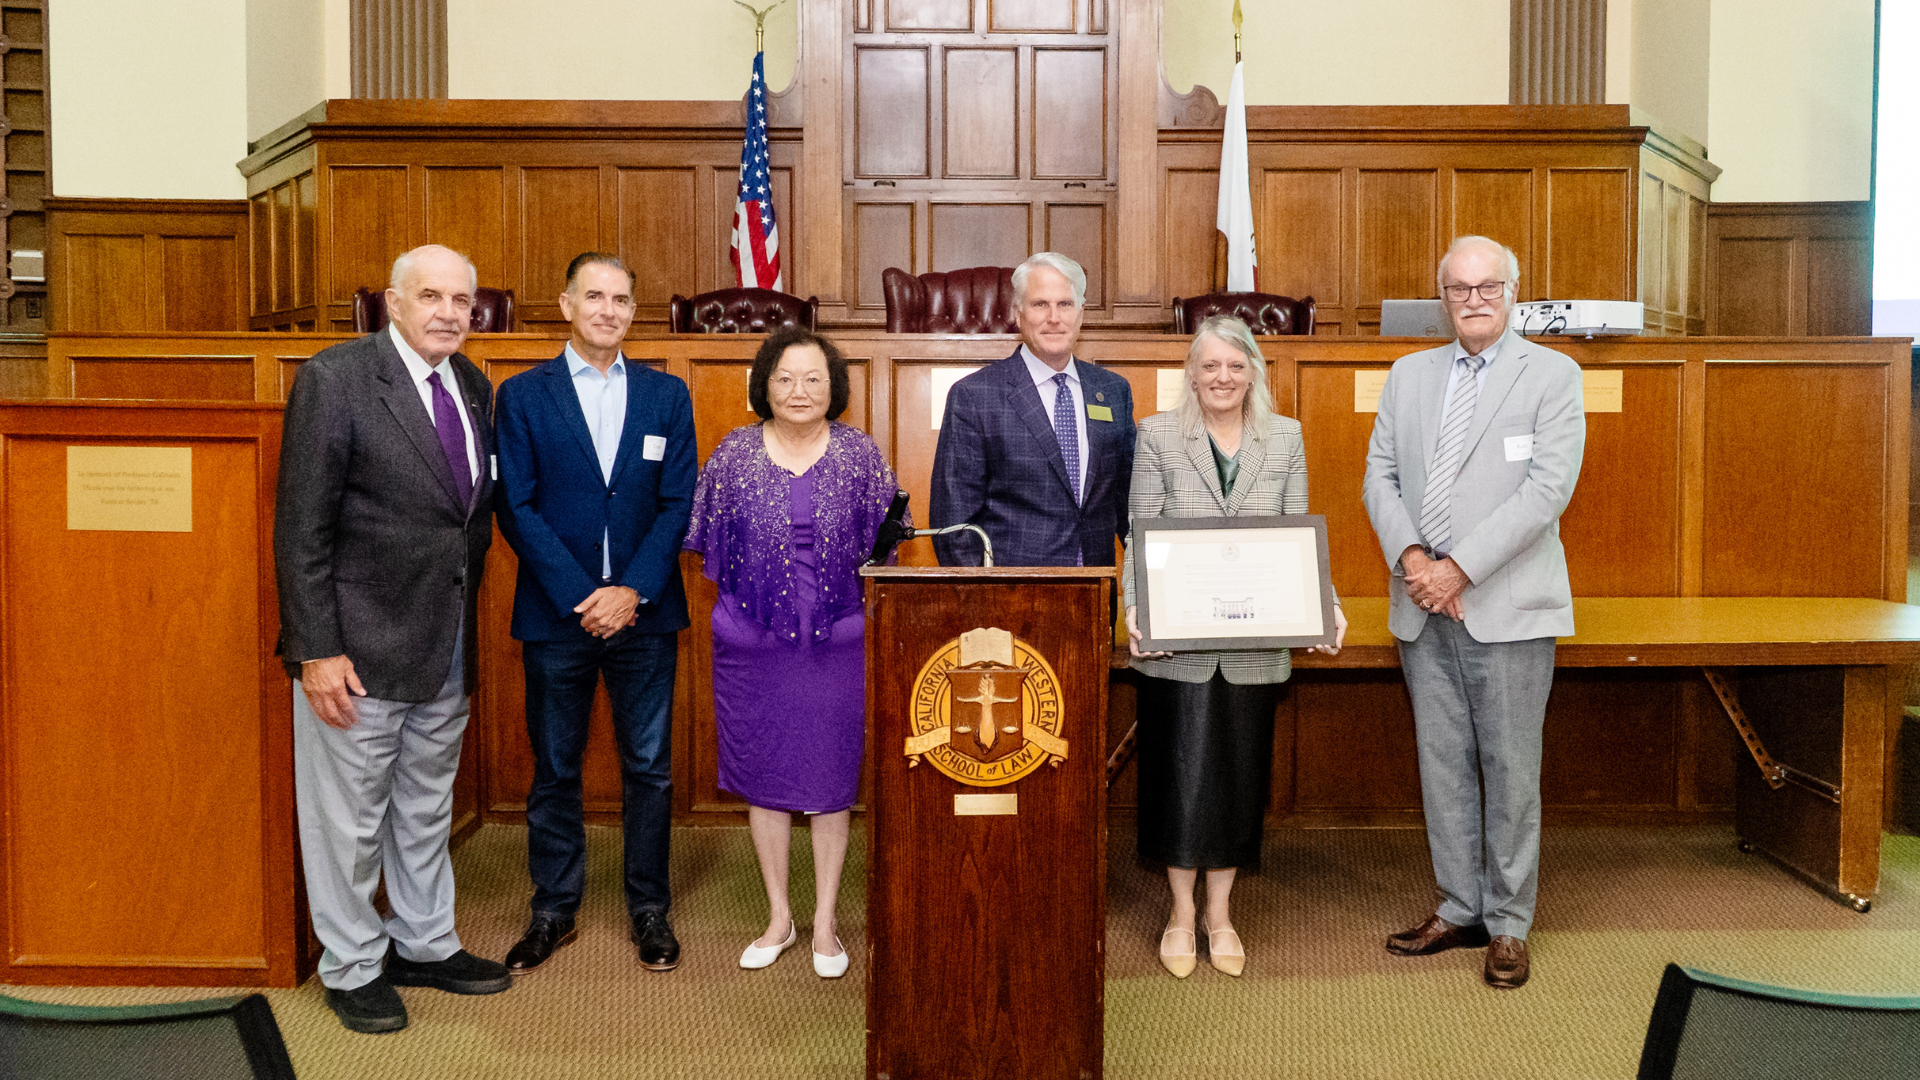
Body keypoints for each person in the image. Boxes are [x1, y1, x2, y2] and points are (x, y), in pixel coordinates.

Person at [275, 244, 512, 1034]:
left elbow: (463, 518)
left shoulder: (473, 386)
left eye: (462, 300)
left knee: (422, 809)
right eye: (431, 297)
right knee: (347, 821)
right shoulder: (335, 380)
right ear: (393, 302)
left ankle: (425, 942)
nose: (450, 312)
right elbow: (300, 530)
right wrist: (316, 650)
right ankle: (351, 964)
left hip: (444, 645)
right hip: (357, 652)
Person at [1361, 235, 1585, 989]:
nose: (1474, 300)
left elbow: (1546, 493)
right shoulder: (1407, 374)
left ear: (1513, 292)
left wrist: (1459, 568)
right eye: (1459, 288)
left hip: (1508, 606)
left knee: (1511, 769)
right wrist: (1419, 564)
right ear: (1442, 296)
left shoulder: (1552, 375)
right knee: (1443, 766)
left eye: (1488, 287)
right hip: (1422, 607)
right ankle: (1458, 907)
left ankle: (1509, 924)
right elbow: (1379, 478)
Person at [1120, 316, 1347, 979]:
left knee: (1239, 778)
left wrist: (1324, 602)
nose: (1223, 377)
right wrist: (1137, 608)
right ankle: (1180, 912)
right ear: (1191, 371)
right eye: (1211, 365)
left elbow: (1298, 533)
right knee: (1178, 776)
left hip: (1253, 639)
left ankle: (1221, 913)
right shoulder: (1160, 435)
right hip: (1178, 639)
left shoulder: (1287, 439)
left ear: (1254, 372)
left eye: (1236, 366)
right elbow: (1141, 530)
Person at [493, 252, 697, 976]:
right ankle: (552, 907)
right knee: (555, 766)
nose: (608, 309)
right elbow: (514, 506)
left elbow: (679, 503)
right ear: (566, 303)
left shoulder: (667, 395)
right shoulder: (521, 396)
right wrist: (583, 594)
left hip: (645, 614)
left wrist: (631, 590)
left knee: (649, 768)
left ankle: (650, 907)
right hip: (558, 615)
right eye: (594, 296)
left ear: (631, 311)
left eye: (620, 298)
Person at [684, 328, 901, 979]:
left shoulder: (862, 455)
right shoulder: (733, 454)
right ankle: (780, 916)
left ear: (833, 386)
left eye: (812, 378)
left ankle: (828, 922)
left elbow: (884, 543)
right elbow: (707, 546)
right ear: (764, 386)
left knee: (832, 783)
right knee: (767, 779)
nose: (799, 391)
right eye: (784, 378)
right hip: (753, 644)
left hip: (837, 641)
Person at [929, 252, 1136, 567]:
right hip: (1011, 599)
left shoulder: (1113, 392)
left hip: (1095, 589)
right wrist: (978, 602)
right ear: (1017, 313)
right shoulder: (974, 396)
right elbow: (954, 523)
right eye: (1040, 304)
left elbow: (1129, 505)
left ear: (1081, 312)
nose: (1054, 317)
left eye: (1065, 304)